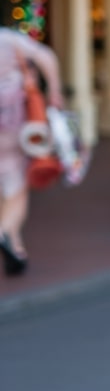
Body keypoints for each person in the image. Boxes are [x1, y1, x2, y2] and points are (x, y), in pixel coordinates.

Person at [0, 25, 64, 275]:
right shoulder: (8, 38)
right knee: (16, 186)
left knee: (6, 184)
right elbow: (46, 56)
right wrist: (55, 92)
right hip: (12, 123)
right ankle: (5, 232)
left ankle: (15, 247)